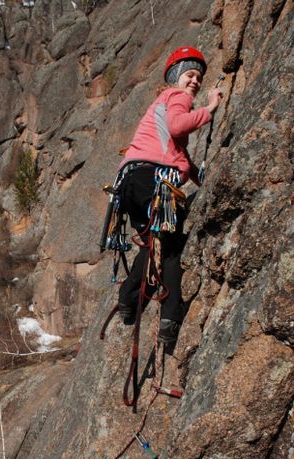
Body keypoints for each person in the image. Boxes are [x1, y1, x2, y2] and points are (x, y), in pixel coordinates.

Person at [117, 46, 223, 343]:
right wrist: (209, 108)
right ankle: (170, 317)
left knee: (153, 243)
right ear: (177, 77)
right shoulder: (178, 97)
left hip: (132, 181)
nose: (195, 82)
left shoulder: (161, 103)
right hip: (152, 178)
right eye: (190, 75)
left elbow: (174, 148)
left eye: (199, 78)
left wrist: (192, 173)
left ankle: (128, 299)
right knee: (172, 243)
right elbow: (178, 126)